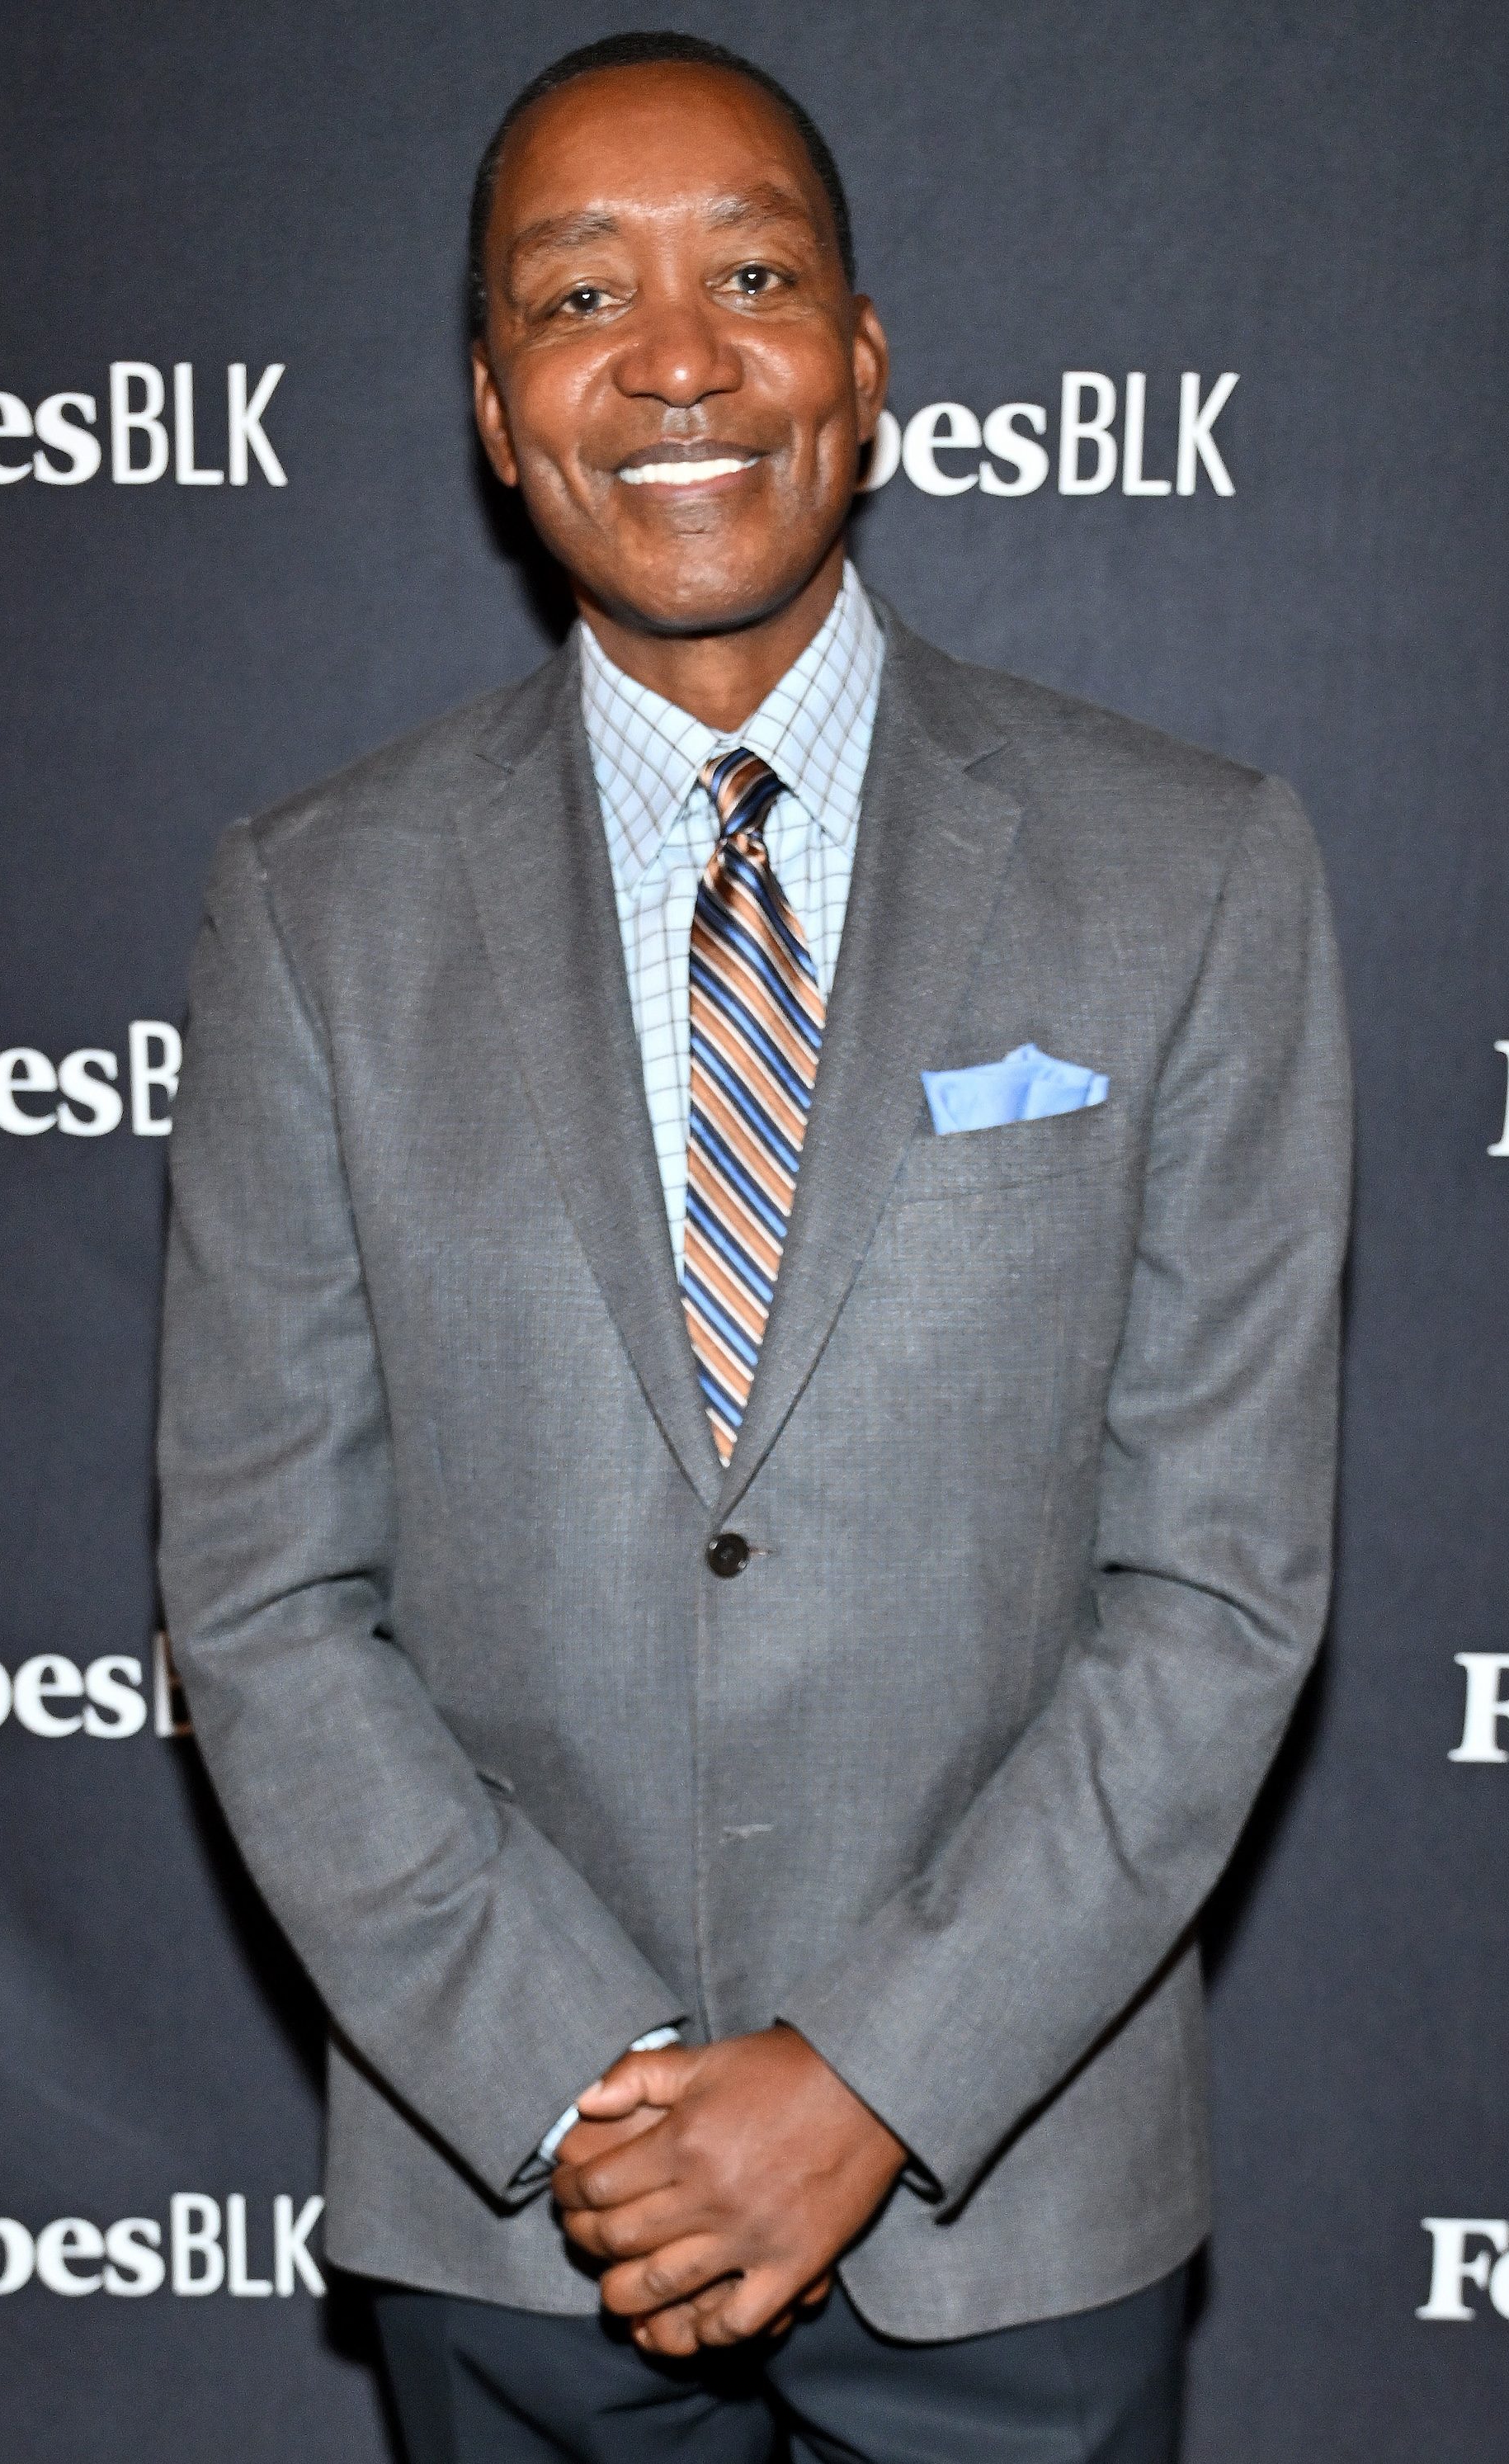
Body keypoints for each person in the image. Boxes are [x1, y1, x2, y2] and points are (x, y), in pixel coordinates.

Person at [156, 30, 1351, 2464]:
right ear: (498, 410)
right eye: (580, 295)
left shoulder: (1191, 870)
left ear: (864, 362)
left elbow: (1217, 1588)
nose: (677, 355)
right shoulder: (310, 907)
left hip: (1009, 2204)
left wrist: (866, 2079)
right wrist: (596, 2089)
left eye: (755, 274)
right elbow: (267, 1591)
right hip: (523, 2216)